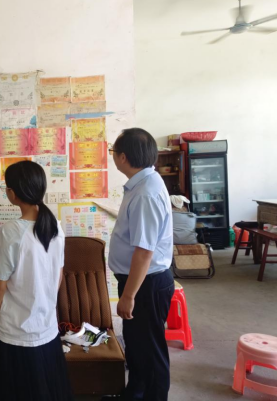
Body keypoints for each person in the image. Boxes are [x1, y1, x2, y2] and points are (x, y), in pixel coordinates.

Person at [0, 161, 73, 401]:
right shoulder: (56, 227)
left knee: (14, 392)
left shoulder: (11, 231)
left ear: (12, 193)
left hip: (14, 333)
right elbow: (58, 275)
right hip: (46, 329)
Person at [108, 128, 175, 401]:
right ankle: (134, 394)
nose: (113, 156)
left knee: (150, 351)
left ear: (123, 157)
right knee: (137, 347)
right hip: (140, 281)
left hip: (146, 284)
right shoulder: (142, 183)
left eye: (113, 152)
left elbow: (144, 252)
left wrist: (128, 296)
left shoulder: (145, 193)